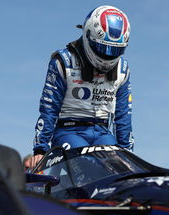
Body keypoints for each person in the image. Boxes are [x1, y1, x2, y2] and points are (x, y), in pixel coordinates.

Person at [29, 6, 134, 168]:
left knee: (118, 168)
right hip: (68, 131)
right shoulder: (63, 61)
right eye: (104, 48)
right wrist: (40, 149)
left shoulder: (123, 69)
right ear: (88, 36)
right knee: (87, 166)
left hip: (102, 132)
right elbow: (49, 107)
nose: (108, 55)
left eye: (115, 50)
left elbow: (124, 115)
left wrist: (128, 155)